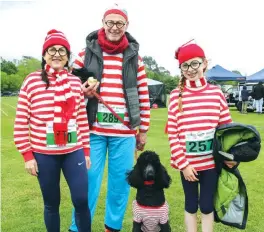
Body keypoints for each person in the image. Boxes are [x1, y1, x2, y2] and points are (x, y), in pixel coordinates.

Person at [69, 4, 150, 232]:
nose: (114, 27)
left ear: (127, 25)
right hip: (91, 131)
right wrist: (81, 90)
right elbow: (68, 87)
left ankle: (112, 227)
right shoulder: (85, 54)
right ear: (102, 23)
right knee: (87, 182)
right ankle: (79, 227)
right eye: (110, 22)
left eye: (119, 23)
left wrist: (142, 129)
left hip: (124, 134)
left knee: (120, 185)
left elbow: (143, 94)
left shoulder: (136, 58)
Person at [13, 29, 91, 232]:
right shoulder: (31, 81)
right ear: (44, 54)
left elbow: (81, 119)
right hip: (44, 154)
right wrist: (27, 156)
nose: (57, 54)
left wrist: (87, 151)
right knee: (51, 203)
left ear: (68, 56)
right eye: (52, 50)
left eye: (62, 51)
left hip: (73, 151)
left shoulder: (75, 82)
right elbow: (21, 121)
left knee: (82, 200)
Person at [167, 43, 236, 232]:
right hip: (188, 165)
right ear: (180, 68)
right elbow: (173, 133)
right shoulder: (175, 96)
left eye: (195, 64)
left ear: (204, 63)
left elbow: (226, 130)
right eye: (185, 66)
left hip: (211, 164)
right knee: (191, 205)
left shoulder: (216, 94)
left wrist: (230, 157)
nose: (190, 70)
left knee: (206, 205)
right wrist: (183, 164)